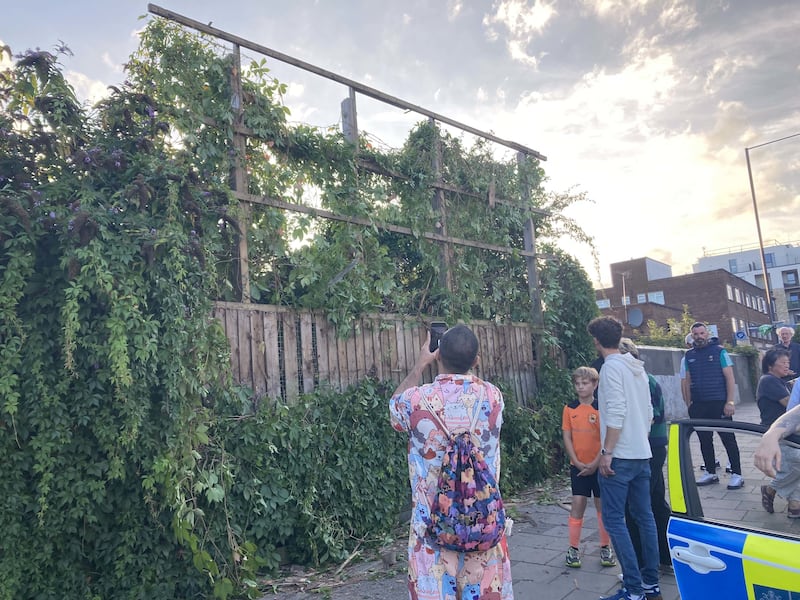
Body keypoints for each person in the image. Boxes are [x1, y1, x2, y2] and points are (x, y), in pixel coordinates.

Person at [389, 324, 513, 600]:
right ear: (476, 361)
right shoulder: (493, 397)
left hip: (431, 525)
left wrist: (420, 365)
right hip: (481, 520)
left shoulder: (416, 400)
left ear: (437, 355)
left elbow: (394, 414)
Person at [587, 316, 661, 600]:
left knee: (615, 520)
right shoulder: (637, 369)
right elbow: (649, 412)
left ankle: (633, 589)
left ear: (596, 340)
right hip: (642, 453)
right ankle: (650, 583)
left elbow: (616, 412)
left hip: (620, 456)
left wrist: (607, 453)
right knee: (645, 517)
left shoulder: (611, 369)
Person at [618, 339, 672, 575]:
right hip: (653, 446)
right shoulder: (643, 379)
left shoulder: (641, 381)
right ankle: (666, 556)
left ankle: (641, 564)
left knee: (636, 507)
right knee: (657, 502)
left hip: (645, 447)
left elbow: (652, 416)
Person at [561, 366, 616, 569]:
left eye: (585, 383)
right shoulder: (569, 408)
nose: (580, 387)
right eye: (577, 384)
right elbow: (567, 435)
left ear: (595, 384)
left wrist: (596, 462)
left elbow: (606, 437)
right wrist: (575, 461)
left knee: (602, 505)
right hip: (578, 465)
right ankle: (573, 548)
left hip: (599, 464)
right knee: (578, 503)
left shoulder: (602, 408)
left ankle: (605, 546)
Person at [680, 322, 744, 489]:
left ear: (707, 334)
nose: (699, 337)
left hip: (719, 403)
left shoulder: (719, 351)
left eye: (702, 333)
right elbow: (687, 380)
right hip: (699, 405)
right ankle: (710, 472)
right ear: (692, 336)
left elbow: (730, 378)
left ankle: (737, 474)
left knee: (728, 438)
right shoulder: (689, 355)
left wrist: (730, 402)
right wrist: (689, 404)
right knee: (704, 439)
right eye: (696, 334)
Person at [756, 348, 800, 516]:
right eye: (783, 362)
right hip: (778, 432)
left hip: (790, 433)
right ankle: (770, 489)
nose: (787, 365)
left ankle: (795, 505)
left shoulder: (780, 381)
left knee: (793, 465)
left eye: (788, 362)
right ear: (770, 365)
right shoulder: (769, 380)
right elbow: (790, 406)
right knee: (796, 464)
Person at [755, 403, 800, 519]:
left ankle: (772, 491)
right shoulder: (771, 384)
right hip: (791, 439)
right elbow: (794, 412)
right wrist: (771, 435)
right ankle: (775, 491)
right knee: (795, 466)